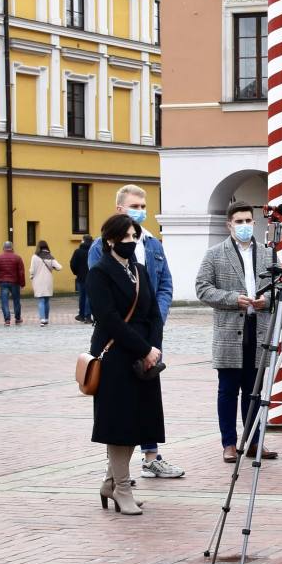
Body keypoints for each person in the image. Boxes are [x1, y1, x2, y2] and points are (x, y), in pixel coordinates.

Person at [87, 215, 164, 516]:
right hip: (116, 355)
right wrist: (144, 348)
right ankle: (122, 488)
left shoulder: (140, 270)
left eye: (135, 237)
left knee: (138, 423)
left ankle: (109, 482)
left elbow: (154, 312)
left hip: (143, 357)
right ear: (110, 240)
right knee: (119, 425)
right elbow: (109, 319)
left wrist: (153, 348)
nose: (131, 242)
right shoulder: (99, 273)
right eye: (126, 237)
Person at [195, 203, 280, 463]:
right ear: (229, 225)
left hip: (259, 328)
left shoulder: (268, 254)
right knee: (228, 389)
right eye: (239, 221)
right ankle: (229, 443)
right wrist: (233, 298)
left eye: (248, 221)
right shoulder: (215, 254)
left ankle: (254, 440)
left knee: (254, 389)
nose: (244, 225)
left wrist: (269, 300)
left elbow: (281, 287)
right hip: (230, 329)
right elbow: (202, 288)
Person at [117, 186, 183, 481]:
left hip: (151, 329)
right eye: (134, 205)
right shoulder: (103, 247)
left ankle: (151, 456)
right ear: (120, 209)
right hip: (122, 333)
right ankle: (116, 469)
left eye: (143, 205)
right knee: (120, 397)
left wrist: (157, 318)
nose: (140, 210)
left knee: (148, 392)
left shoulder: (152, 244)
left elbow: (166, 283)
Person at [0, 240, 26, 325]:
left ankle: (7, 319)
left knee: (4, 301)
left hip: (3, 282)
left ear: (3, 248)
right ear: (12, 248)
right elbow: (21, 272)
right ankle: (17, 318)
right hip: (15, 282)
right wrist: (22, 283)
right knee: (16, 301)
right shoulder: (17, 258)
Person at [30, 241, 62, 326]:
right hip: (48, 281)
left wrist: (31, 276)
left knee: (41, 300)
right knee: (47, 300)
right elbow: (59, 267)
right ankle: (46, 319)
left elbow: (32, 270)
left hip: (38, 281)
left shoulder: (34, 257)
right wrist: (53, 267)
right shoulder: (50, 257)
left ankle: (42, 319)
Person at [70, 234, 95, 323]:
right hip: (92, 276)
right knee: (89, 296)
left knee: (82, 296)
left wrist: (76, 272)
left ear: (83, 240)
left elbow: (72, 264)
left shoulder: (78, 251)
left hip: (80, 277)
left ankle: (81, 315)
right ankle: (88, 316)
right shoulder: (92, 251)